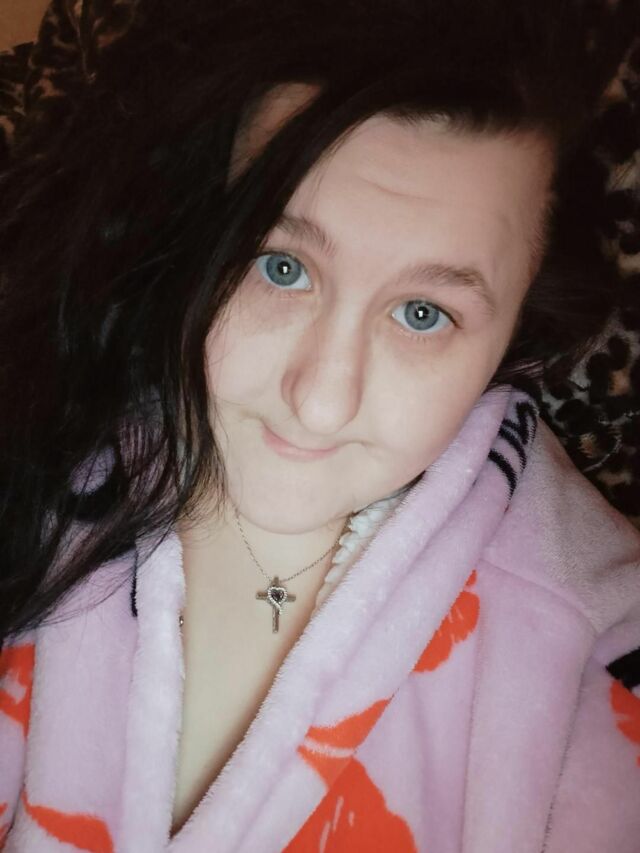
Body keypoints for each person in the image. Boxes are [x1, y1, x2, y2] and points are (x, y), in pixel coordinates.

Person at [1, 1, 639, 851]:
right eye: (282, 266)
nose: (321, 400)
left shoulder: (593, 633)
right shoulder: (34, 433)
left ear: (517, 328)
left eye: (422, 313)